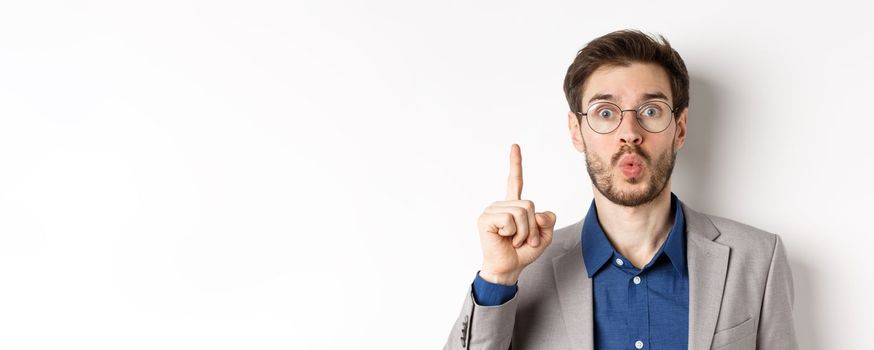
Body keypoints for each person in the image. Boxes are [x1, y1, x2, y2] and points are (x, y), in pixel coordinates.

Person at [444, 29, 798, 350]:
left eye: (650, 110)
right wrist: (497, 278)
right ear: (576, 131)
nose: (629, 132)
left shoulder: (757, 259)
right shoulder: (524, 273)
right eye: (606, 113)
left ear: (680, 128)